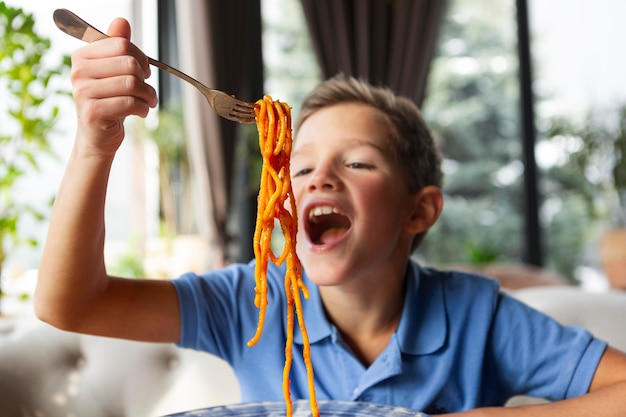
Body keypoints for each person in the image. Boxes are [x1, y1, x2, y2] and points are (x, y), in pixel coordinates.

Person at [35, 17, 626, 416]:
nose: (319, 177)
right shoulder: (254, 303)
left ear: (418, 211)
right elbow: (71, 303)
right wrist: (95, 145)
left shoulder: (477, 316)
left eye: (359, 163)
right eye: (301, 165)